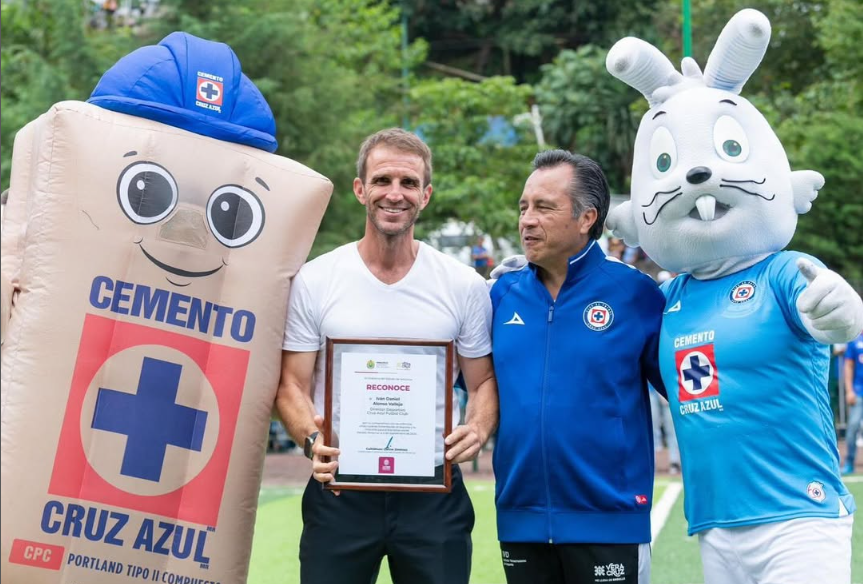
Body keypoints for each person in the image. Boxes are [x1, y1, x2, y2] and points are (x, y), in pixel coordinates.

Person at [275, 128, 498, 584]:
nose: (394, 194)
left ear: (426, 195)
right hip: (339, 493)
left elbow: (482, 383)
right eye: (382, 180)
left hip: (434, 492)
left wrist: (477, 428)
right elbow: (291, 385)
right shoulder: (316, 280)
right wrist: (312, 442)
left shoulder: (464, 286)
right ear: (360, 189)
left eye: (409, 183)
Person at [491, 150, 664, 584]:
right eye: (524, 207)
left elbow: (686, 393)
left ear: (587, 218)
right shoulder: (498, 296)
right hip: (520, 521)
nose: (527, 220)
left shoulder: (636, 295)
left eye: (544, 207)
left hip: (611, 520)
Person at [843, 333, 863, 474]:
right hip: (859, 392)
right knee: (853, 426)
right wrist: (849, 390)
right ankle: (849, 462)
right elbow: (848, 365)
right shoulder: (855, 342)